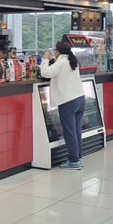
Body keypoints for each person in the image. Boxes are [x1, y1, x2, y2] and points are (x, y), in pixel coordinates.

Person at [40, 41, 86, 170]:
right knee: (76, 130)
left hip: (68, 101)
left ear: (58, 51)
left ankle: (73, 160)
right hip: (80, 99)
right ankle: (78, 157)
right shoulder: (72, 61)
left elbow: (46, 73)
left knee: (69, 132)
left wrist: (44, 59)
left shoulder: (61, 62)